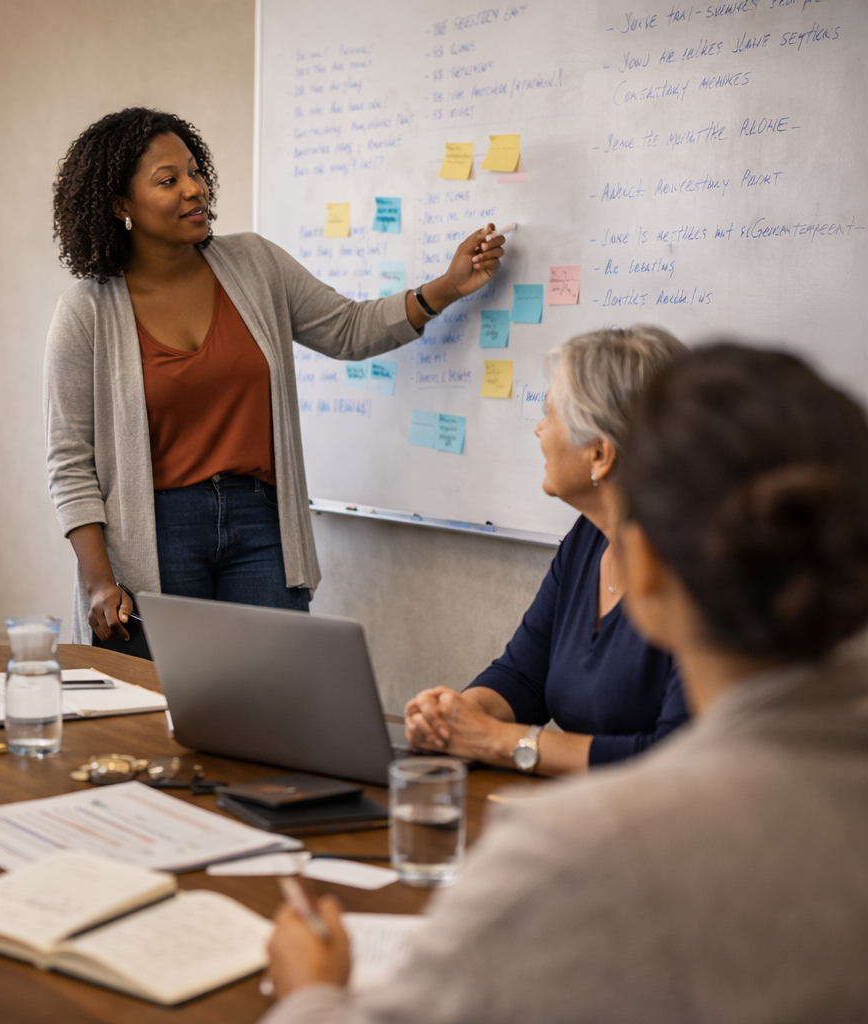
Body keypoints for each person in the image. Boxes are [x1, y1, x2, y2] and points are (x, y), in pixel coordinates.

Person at [263, 343, 868, 1023]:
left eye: (546, 410)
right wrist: (467, 714)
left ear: (647, 569)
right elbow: (525, 665)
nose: (537, 426)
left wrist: (311, 987)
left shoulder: (583, 851)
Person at [44, 107, 506, 656]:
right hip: (155, 534)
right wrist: (100, 580)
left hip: (261, 525)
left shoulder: (253, 263)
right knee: (160, 709)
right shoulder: (87, 310)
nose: (195, 189)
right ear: (121, 205)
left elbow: (348, 329)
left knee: (270, 705)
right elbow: (70, 460)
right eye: (169, 181)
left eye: (195, 171)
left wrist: (447, 288)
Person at [404, 326, 690, 774]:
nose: (538, 429)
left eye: (550, 414)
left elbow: (674, 757)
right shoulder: (587, 539)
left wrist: (497, 741)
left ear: (600, 454)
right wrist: (456, 715)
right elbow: (523, 677)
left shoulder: (702, 571)